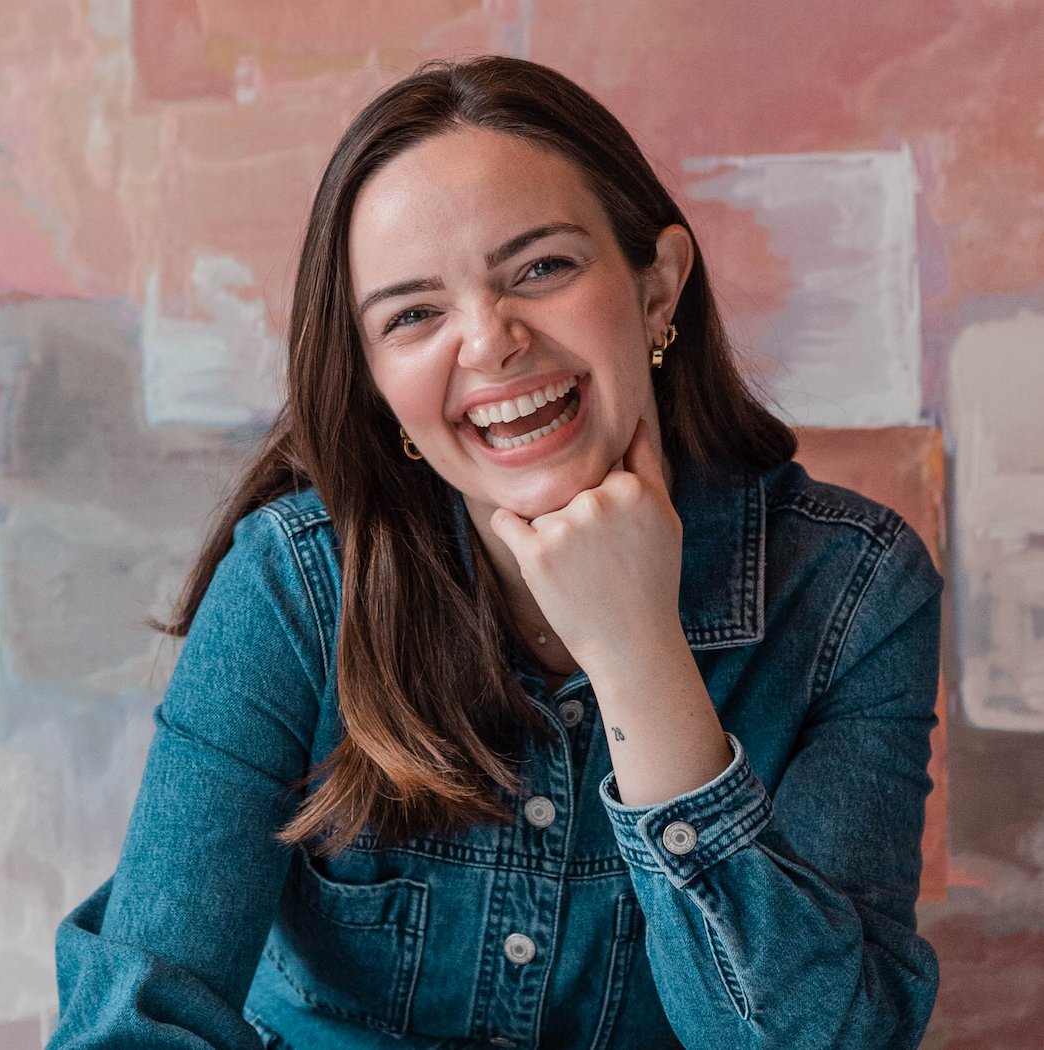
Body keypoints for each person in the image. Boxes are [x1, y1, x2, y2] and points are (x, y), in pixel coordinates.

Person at [49, 55, 942, 1049]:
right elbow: (139, 1021)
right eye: (414, 315)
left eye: (541, 269)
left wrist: (639, 653)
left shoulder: (855, 590)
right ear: (377, 380)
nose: (489, 340)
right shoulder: (292, 585)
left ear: (658, 290)